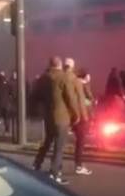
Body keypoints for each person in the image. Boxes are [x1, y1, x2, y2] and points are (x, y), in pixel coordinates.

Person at [32, 56, 79, 185]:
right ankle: (54, 173)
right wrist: (76, 114)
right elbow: (70, 98)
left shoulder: (43, 78)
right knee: (59, 146)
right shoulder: (63, 77)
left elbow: (35, 96)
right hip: (61, 117)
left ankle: (37, 163)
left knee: (47, 141)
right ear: (59, 65)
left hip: (48, 116)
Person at [64, 58, 93, 176]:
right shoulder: (79, 83)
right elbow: (88, 98)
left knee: (75, 142)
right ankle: (78, 165)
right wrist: (87, 83)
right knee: (80, 142)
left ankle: (55, 167)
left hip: (72, 116)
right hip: (81, 116)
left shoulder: (69, 80)